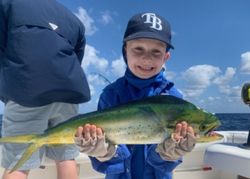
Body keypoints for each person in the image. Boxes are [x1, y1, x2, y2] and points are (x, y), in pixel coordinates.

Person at [75, 12, 196, 179]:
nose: (147, 59)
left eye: (156, 52)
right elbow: (110, 162)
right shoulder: (110, 94)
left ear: (166, 57)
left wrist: (169, 154)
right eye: (138, 49)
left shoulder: (173, 98)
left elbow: (165, 163)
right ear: (126, 50)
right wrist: (104, 152)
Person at [0, 0, 90, 178]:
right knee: (66, 156)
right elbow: (77, 57)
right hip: (69, 92)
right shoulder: (74, 20)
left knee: (18, 163)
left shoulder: (8, 3)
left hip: (27, 89)